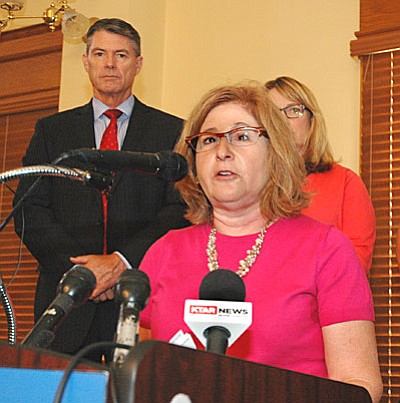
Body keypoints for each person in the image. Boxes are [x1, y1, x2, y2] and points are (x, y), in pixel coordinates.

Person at [138, 81, 382, 402]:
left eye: (242, 136)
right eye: (209, 139)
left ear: (276, 152)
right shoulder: (163, 252)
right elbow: (141, 375)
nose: (222, 151)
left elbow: (359, 384)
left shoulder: (327, 249)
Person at [13, 18, 189, 361]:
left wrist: (121, 262)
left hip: (142, 297)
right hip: (65, 301)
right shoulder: (52, 131)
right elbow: (29, 211)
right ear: (86, 61)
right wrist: (84, 272)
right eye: (100, 53)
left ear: (138, 64)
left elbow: (180, 210)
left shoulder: (172, 130)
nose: (109, 64)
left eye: (121, 55)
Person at [265, 76, 375, 272]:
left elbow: (355, 264)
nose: (282, 120)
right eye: (272, 113)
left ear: (311, 120)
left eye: (293, 110)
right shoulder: (250, 187)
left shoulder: (345, 183)